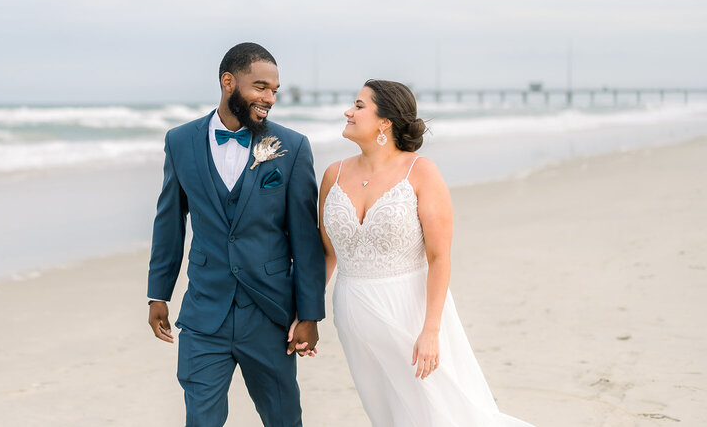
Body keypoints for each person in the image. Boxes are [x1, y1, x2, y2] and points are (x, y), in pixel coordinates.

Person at [318, 79, 535, 426]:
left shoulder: (421, 172)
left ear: (385, 122)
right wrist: (309, 312)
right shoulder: (334, 174)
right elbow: (327, 254)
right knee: (385, 411)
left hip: (410, 310)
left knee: (440, 408)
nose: (348, 111)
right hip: (352, 311)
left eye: (359, 106)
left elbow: (439, 257)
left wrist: (430, 330)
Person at [147, 42, 326, 426]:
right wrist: (158, 293)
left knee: (283, 418)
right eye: (260, 86)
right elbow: (169, 223)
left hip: (269, 315)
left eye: (274, 90)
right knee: (201, 419)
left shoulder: (292, 148)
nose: (269, 98)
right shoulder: (180, 142)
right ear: (228, 82)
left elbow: (305, 239)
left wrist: (310, 314)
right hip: (203, 313)